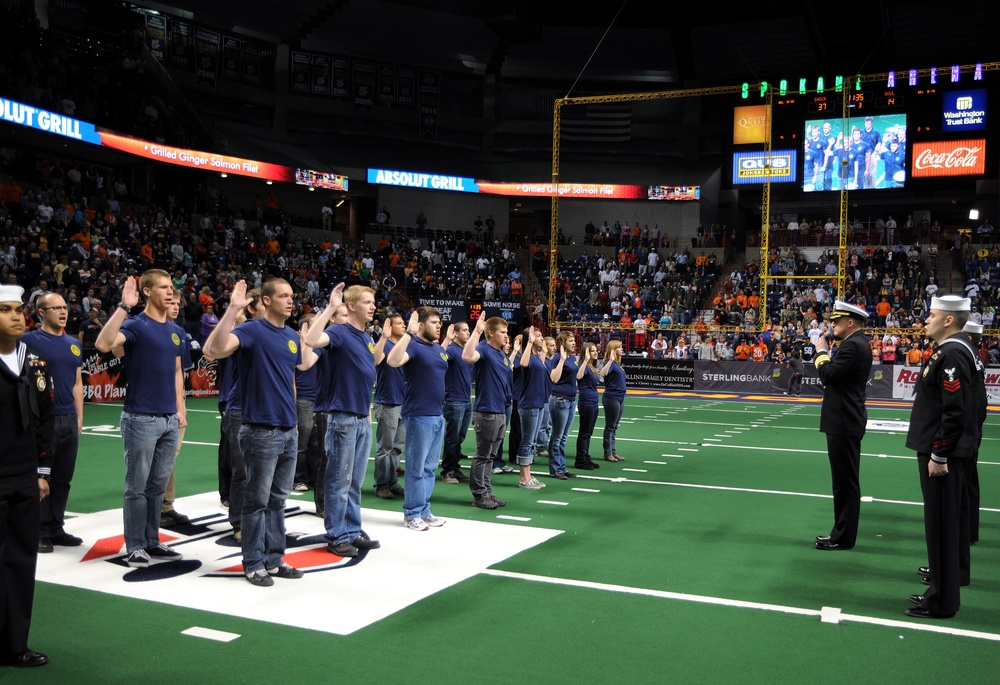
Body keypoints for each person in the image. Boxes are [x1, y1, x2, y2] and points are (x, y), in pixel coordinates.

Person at [203, 279, 306, 587]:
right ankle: (253, 563)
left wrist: (295, 423)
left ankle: (274, 559)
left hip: (287, 430)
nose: (290, 301)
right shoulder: (251, 330)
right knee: (257, 501)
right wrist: (234, 307)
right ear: (266, 300)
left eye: (291, 296)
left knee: (277, 501)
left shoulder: (291, 336)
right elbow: (212, 350)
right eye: (283, 296)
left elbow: (290, 380)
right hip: (261, 430)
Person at [96, 269, 186, 568]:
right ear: (147, 291)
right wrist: (123, 307)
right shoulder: (135, 324)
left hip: (168, 418)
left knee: (157, 487)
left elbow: (175, 373)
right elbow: (103, 344)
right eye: (163, 287)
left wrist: (179, 409)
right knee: (137, 486)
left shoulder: (175, 330)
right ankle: (135, 545)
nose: (170, 292)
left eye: (171, 287)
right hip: (140, 418)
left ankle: (151, 541)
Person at [904, 295, 983, 619]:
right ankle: (943, 588)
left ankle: (941, 600)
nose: (926, 319)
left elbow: (954, 412)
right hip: (953, 450)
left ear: (949, 320)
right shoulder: (959, 349)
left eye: (932, 314)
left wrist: (940, 453)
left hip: (944, 454)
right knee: (947, 524)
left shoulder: (951, 353)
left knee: (941, 526)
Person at [302, 283, 380, 558]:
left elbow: (362, 377)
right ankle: (337, 535)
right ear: (351, 306)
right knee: (339, 480)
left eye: (373, 302)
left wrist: (367, 412)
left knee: (355, 480)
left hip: (360, 417)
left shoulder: (368, 338)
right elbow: (310, 341)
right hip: (342, 418)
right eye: (367, 302)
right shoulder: (338, 331)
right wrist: (331, 308)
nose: (373, 306)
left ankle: (351, 529)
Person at [0, 284, 53, 668]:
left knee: (21, 563)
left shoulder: (33, 361)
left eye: (19, 309)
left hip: (23, 478)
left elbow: (46, 418)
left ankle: (14, 644)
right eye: (6, 310)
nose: (17, 316)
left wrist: (41, 471)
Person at [23, 293, 83, 553]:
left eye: (64, 307)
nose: (62, 311)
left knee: (62, 477)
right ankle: (36, 531)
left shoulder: (73, 343)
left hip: (69, 418)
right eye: (55, 308)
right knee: (38, 478)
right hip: (41, 420)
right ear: (41, 313)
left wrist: (79, 418)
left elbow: (77, 381)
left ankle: (56, 527)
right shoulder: (26, 341)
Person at [812, 300, 871, 552]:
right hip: (845, 419)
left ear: (850, 322)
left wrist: (821, 351)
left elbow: (828, 375)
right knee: (844, 482)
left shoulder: (853, 347)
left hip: (844, 421)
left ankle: (843, 536)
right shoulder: (855, 344)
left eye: (836, 321)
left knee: (845, 483)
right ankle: (841, 532)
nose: (832, 325)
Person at [386, 307, 448, 530]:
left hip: (437, 415)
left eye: (439, 322)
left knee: (430, 468)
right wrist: (408, 334)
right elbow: (392, 360)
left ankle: (423, 509)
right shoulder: (413, 344)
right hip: (419, 415)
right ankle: (411, 513)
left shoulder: (438, 349)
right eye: (433, 322)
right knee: (416, 467)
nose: (438, 325)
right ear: (420, 325)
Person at [461, 316, 512, 509]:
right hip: (487, 410)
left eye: (507, 332)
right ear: (491, 333)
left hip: (499, 410)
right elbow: (467, 356)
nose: (506, 336)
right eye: (502, 332)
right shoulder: (483, 348)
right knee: (482, 455)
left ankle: (487, 491)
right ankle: (479, 495)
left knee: (490, 456)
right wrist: (476, 331)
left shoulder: (500, 354)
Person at [159, 288, 194, 529]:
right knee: (156, 459)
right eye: (171, 302)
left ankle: (166, 505)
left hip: (176, 400)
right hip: (153, 403)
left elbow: (180, 372)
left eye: (178, 303)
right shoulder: (142, 327)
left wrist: (180, 406)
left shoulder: (179, 332)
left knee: (171, 456)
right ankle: (155, 507)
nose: (176, 307)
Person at [371, 314, 406, 499]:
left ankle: (392, 482)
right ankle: (381, 484)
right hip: (387, 402)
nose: (404, 325)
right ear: (390, 327)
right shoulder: (386, 345)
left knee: (397, 448)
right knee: (385, 447)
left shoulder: (404, 346)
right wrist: (383, 337)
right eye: (399, 323)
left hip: (403, 403)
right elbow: (375, 360)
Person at [514, 327, 547, 490]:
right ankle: (523, 478)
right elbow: (523, 363)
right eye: (538, 335)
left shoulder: (536, 356)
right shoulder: (526, 356)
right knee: (527, 441)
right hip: (529, 404)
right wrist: (529, 342)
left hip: (538, 403)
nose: (542, 338)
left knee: (532, 441)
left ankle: (528, 475)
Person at [441, 321, 473, 484]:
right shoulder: (452, 349)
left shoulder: (466, 350)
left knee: (460, 437)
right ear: (456, 333)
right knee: (452, 437)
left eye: (469, 330)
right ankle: (448, 470)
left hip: (466, 400)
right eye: (465, 330)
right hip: (453, 400)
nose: (468, 333)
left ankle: (455, 466)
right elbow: (439, 356)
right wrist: (447, 340)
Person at [546, 331, 579, 479]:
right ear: (563, 343)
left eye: (573, 340)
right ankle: (555, 469)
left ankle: (562, 466)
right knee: (557, 436)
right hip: (560, 399)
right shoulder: (558, 358)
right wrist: (561, 361)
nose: (573, 343)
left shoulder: (571, 358)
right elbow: (553, 378)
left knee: (563, 436)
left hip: (571, 400)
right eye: (570, 341)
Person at [575, 342, 602, 471]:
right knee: (584, 432)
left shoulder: (592, 366)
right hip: (586, 402)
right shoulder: (584, 366)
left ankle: (585, 456)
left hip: (593, 402)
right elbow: (578, 376)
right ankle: (580, 459)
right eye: (592, 351)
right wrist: (585, 360)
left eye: (596, 350)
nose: (595, 352)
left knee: (588, 432)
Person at [600, 340, 627, 462]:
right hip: (612, 397)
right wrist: (610, 360)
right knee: (610, 426)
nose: (622, 349)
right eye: (619, 347)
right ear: (613, 349)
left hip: (620, 397)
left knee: (614, 426)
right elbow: (602, 373)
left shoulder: (618, 364)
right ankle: (608, 452)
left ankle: (613, 451)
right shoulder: (609, 362)